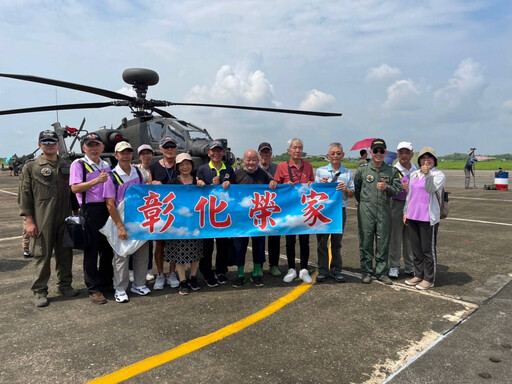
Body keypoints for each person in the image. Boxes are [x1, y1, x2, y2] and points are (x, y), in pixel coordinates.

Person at [19, 130, 79, 307]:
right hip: (42, 217)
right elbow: (24, 195)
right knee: (42, 254)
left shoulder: (67, 165)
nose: (50, 145)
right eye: (45, 142)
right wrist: (29, 220)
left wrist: (77, 214)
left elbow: (73, 193)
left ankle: (65, 285)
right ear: (39, 145)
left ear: (58, 144)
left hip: (65, 215)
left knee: (65, 253)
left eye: (53, 142)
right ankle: (39, 291)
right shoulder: (31, 167)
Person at [104, 141, 151, 303]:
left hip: (138, 219)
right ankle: (120, 288)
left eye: (128, 152)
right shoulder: (111, 177)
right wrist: (120, 227)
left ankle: (139, 284)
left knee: (142, 254)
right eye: (122, 153)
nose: (125, 156)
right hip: (121, 219)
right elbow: (110, 204)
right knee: (121, 255)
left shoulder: (139, 174)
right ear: (115, 155)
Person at [70, 133, 113, 304]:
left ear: (102, 147)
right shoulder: (79, 164)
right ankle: (93, 287)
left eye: (97, 145)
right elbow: (75, 188)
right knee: (92, 250)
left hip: (108, 208)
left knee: (107, 249)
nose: (94, 149)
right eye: (90, 146)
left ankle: (105, 282)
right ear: (84, 148)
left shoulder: (106, 164)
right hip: (91, 210)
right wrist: (96, 181)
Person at [354, 138, 401, 285]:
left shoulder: (392, 171)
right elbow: (357, 190)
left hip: (384, 210)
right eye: (376, 151)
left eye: (382, 151)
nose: (378, 154)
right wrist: (364, 204)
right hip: (366, 209)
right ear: (371, 152)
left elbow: (398, 190)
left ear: (385, 152)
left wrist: (386, 187)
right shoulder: (362, 170)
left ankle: (381, 272)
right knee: (366, 240)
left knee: (383, 240)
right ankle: (366, 271)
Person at [232, 149, 278, 288]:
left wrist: (273, 183)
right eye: (248, 159)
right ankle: (240, 274)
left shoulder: (263, 174)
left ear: (258, 161)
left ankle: (256, 274)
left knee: (259, 246)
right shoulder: (236, 174)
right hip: (241, 218)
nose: (251, 163)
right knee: (239, 247)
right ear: (243, 160)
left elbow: (273, 184)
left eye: (254, 160)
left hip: (258, 218)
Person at [403, 147, 446, 290]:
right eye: (423, 158)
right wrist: (405, 212)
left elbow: (430, 189)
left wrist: (427, 175)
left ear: (434, 161)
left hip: (428, 217)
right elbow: (409, 195)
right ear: (419, 160)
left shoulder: (438, 175)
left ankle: (429, 278)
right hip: (413, 215)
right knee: (416, 248)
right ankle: (418, 274)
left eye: (430, 158)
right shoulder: (414, 174)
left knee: (428, 249)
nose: (426, 161)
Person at [274, 138, 315, 284]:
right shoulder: (282, 166)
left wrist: (312, 184)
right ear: (289, 151)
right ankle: (291, 268)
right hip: (289, 209)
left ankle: (304, 268)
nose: (298, 150)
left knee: (305, 240)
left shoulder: (308, 165)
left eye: (300, 147)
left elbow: (312, 184)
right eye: (295, 148)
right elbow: (275, 187)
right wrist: (283, 185)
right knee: (290, 240)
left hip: (304, 209)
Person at [196, 140, 236, 287]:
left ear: (223, 153)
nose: (216, 153)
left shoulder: (229, 170)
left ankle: (221, 271)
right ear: (209, 153)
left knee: (223, 244)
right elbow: (198, 188)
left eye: (219, 151)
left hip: (224, 213)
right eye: (213, 151)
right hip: (207, 213)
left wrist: (228, 185)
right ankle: (206, 271)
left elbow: (235, 190)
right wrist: (202, 185)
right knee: (207, 245)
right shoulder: (202, 169)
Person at [315, 142, 354, 283]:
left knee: (337, 242)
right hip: (324, 211)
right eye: (333, 153)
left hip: (339, 210)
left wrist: (346, 189)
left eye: (338, 153)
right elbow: (314, 192)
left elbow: (351, 193)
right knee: (322, 242)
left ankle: (336, 270)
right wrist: (322, 185)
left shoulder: (348, 173)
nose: (335, 156)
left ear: (343, 155)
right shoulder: (320, 171)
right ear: (328, 156)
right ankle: (323, 270)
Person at [166, 153, 203, 296]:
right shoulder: (172, 183)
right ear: (177, 167)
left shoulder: (198, 181)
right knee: (179, 252)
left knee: (196, 250)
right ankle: (182, 281)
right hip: (178, 223)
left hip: (195, 223)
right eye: (182, 164)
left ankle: (193, 277)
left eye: (188, 163)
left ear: (192, 165)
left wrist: (202, 186)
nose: (185, 166)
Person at [149, 137, 180, 290]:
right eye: (166, 147)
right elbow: (146, 186)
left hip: (177, 211)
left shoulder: (181, 165)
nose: (169, 150)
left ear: (176, 149)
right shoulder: (154, 167)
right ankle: (160, 274)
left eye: (172, 147)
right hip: (160, 212)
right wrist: (151, 183)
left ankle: (172, 273)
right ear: (161, 150)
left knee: (174, 243)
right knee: (160, 244)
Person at [388, 142, 417, 278]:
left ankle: (410, 266)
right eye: (401, 153)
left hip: (412, 204)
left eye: (407, 152)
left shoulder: (415, 169)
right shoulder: (393, 169)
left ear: (411, 154)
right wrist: (399, 188)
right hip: (396, 204)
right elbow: (388, 189)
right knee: (395, 236)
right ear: (397, 154)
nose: (404, 155)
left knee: (410, 237)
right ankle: (394, 265)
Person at [129, 144, 155, 283]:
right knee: (134, 239)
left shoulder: (154, 169)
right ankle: (132, 270)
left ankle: (148, 269)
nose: (146, 156)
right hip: (137, 210)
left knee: (148, 241)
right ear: (139, 156)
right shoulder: (134, 169)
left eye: (148, 153)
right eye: (143, 154)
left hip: (151, 209)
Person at [257, 142, 281, 277]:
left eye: (267, 153)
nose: (265, 155)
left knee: (274, 238)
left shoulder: (277, 168)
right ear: (259, 154)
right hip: (259, 209)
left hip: (273, 209)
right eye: (262, 153)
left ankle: (274, 264)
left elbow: (283, 184)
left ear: (271, 154)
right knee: (258, 238)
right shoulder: (254, 168)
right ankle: (259, 264)